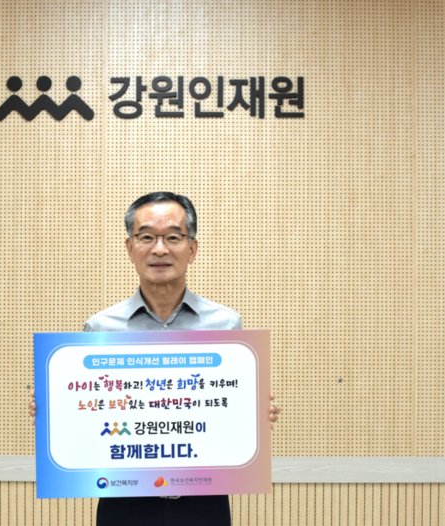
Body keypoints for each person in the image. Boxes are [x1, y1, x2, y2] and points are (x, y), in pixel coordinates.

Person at [29, 191, 281, 526]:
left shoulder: (225, 325)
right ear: (129, 248)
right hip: (124, 503)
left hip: (204, 502)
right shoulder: (101, 327)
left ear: (192, 249)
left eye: (173, 237)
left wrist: (254, 415)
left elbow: (232, 416)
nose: (159, 249)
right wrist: (55, 410)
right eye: (146, 237)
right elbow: (87, 417)